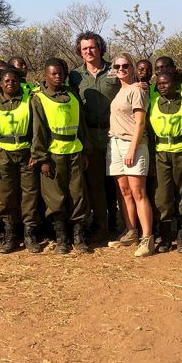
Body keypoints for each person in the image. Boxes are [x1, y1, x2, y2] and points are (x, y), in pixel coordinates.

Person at [32, 58, 92, 254]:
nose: (58, 76)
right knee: (55, 198)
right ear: (46, 76)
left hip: (74, 151)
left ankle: (79, 236)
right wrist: (42, 159)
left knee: (78, 194)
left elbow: (81, 126)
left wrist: (85, 151)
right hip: (53, 155)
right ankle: (61, 238)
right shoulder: (39, 99)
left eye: (61, 73)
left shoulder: (72, 95)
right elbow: (38, 131)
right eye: (53, 73)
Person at [67, 32, 121, 242]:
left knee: (117, 182)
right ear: (80, 52)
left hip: (114, 133)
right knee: (95, 183)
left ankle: (120, 223)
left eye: (92, 47)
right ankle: (101, 226)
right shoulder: (75, 75)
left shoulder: (115, 70)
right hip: (89, 134)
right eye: (84, 49)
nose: (88, 51)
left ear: (100, 48)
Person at [0, 67, 38, 253]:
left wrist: (35, 153)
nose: (10, 84)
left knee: (29, 194)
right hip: (2, 154)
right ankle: (10, 234)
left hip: (26, 152)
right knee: (5, 196)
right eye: (6, 81)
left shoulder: (30, 101)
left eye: (14, 81)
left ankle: (29, 235)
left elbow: (37, 130)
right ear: (0, 84)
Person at [109, 53, 154, 257]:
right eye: (117, 66)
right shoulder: (121, 90)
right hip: (116, 143)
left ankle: (147, 238)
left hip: (132, 144)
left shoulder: (137, 90)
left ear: (132, 68)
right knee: (124, 191)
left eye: (125, 66)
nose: (121, 69)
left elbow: (140, 122)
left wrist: (132, 149)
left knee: (138, 192)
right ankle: (131, 232)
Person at [147, 69, 182, 254]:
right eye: (159, 84)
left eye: (165, 83)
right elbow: (148, 133)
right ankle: (166, 235)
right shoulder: (152, 102)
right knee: (163, 196)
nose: (162, 86)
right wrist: (151, 159)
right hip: (161, 154)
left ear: (175, 84)